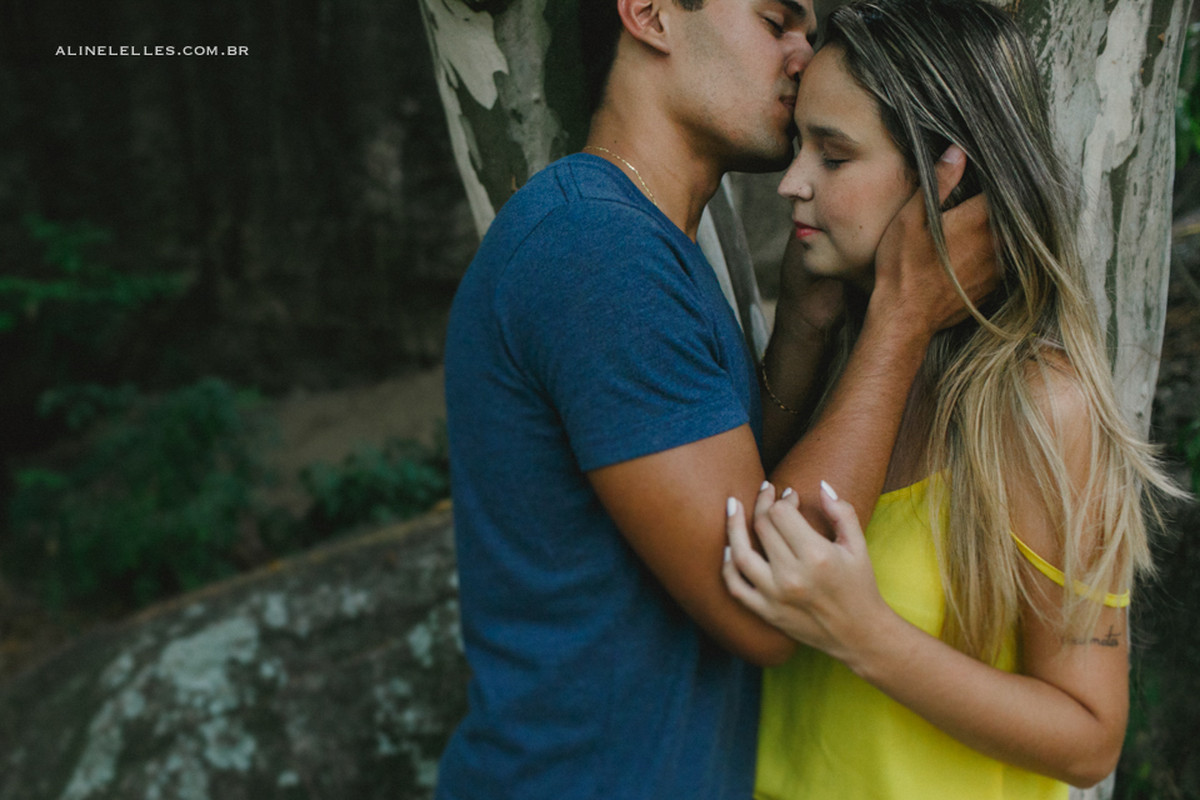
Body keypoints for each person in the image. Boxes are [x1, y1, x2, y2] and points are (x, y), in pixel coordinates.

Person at [434, 0, 996, 797]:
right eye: (777, 23)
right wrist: (905, 316)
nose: (806, 56)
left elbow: (728, 502)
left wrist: (803, 324)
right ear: (652, 14)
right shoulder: (598, 252)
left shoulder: (647, 239)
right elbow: (769, 602)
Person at [722, 1, 1182, 797]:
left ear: (947, 178)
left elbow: (1088, 739)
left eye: (833, 156)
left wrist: (868, 636)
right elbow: (748, 542)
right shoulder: (846, 352)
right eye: (800, 145)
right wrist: (801, 324)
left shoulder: (1041, 407)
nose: (792, 184)